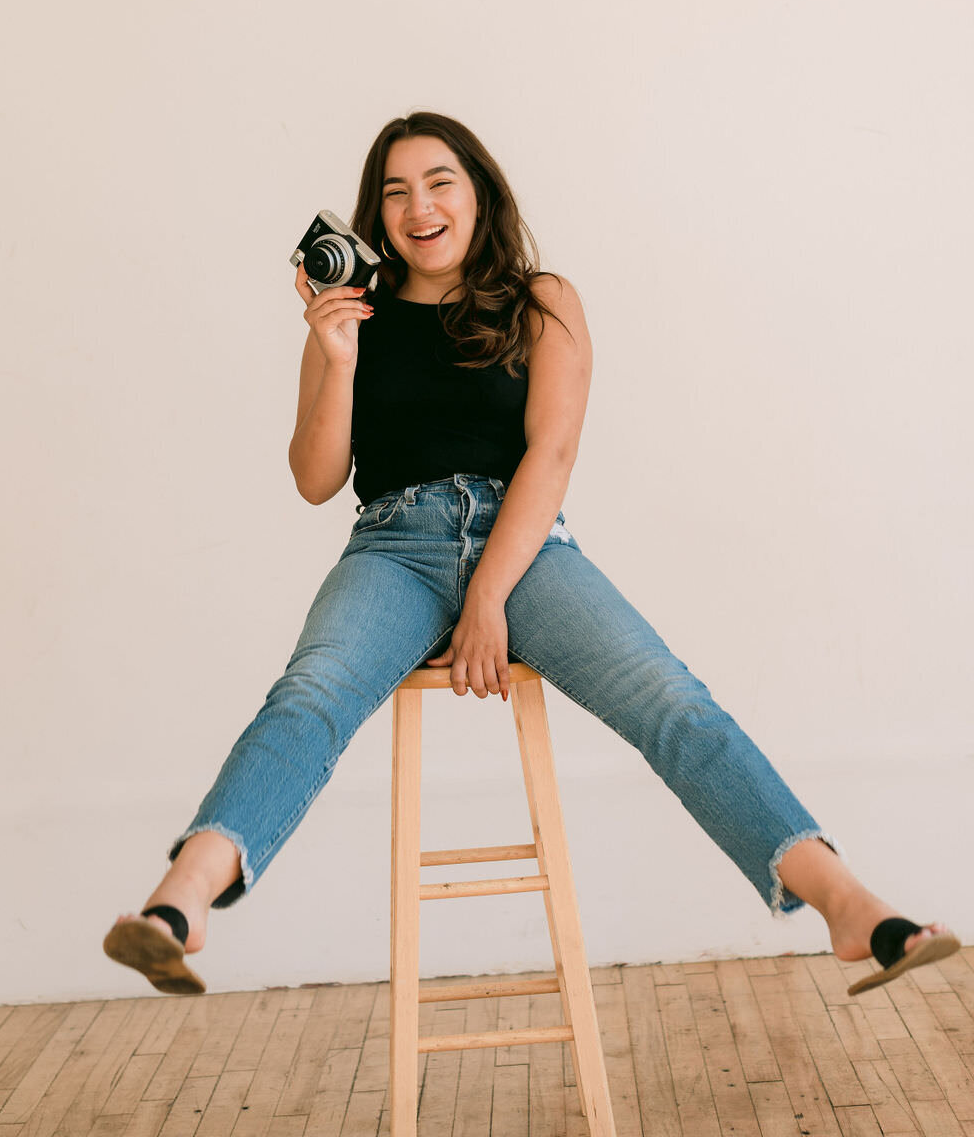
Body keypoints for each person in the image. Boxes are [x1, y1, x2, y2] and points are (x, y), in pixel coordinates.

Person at [103, 111, 958, 1000]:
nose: (417, 205)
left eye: (439, 182)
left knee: (670, 701)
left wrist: (487, 602)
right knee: (309, 695)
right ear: (375, 213)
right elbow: (315, 478)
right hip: (392, 547)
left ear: (479, 194)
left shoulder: (543, 299)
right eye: (394, 191)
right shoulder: (348, 314)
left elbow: (550, 457)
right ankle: (181, 902)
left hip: (525, 542)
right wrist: (337, 355)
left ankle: (849, 906)